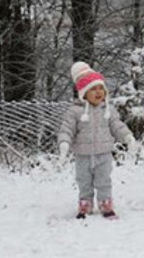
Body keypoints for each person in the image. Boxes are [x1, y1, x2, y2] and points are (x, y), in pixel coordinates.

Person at [57, 61, 139, 219]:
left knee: (104, 181)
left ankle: (105, 203)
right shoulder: (74, 111)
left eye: (101, 88)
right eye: (93, 89)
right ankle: (85, 204)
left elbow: (117, 125)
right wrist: (64, 144)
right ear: (83, 93)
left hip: (104, 154)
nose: (98, 92)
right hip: (83, 155)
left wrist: (128, 137)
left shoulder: (108, 110)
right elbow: (66, 129)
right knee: (84, 181)